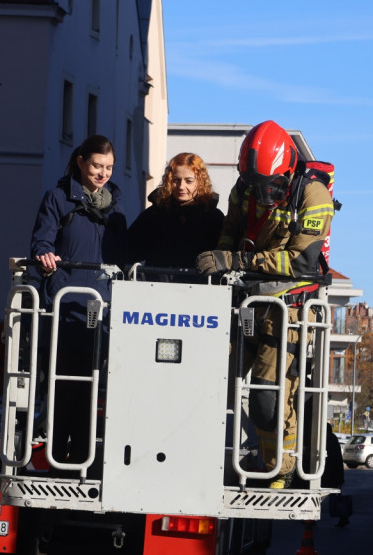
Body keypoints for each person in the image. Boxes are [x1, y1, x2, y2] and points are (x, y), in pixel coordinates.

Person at [196, 120, 335, 489]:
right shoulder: (245, 188)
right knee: (205, 380)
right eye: (257, 186)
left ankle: (280, 469)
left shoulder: (313, 196)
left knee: (267, 399)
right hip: (242, 303)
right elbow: (232, 229)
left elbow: (301, 262)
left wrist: (238, 262)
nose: (264, 194)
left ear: (288, 172)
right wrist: (221, 256)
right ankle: (195, 457)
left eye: (271, 187)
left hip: (285, 310)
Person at [30, 135, 128, 465]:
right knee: (63, 389)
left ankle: (83, 462)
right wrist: (45, 255)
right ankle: (58, 459)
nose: (103, 174)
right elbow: (42, 240)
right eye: (98, 166)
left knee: (91, 391)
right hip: (65, 308)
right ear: (81, 162)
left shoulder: (116, 209)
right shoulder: (59, 198)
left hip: (99, 313)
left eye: (109, 168)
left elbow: (125, 257)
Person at [127, 152, 224, 270]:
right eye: (176, 180)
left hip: (199, 286)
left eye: (189, 181)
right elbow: (129, 252)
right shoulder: (153, 215)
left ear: (200, 182)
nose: (181, 186)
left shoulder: (213, 218)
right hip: (156, 286)